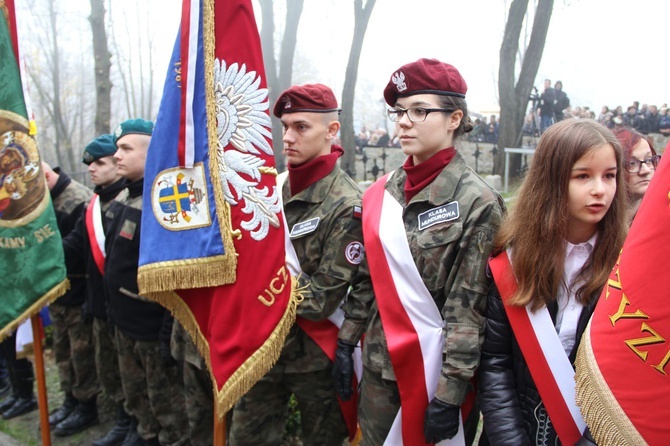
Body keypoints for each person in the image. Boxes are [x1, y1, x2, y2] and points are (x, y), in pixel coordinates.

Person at [334, 58, 505, 445]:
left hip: (435, 376)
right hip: (379, 368)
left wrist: (449, 394)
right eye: (399, 111)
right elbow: (366, 280)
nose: (404, 122)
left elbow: (470, 308)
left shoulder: (478, 202)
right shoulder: (383, 192)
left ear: (454, 118)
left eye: (419, 110)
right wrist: (346, 342)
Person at [229, 83, 366, 446]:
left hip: (314, 358)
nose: (287, 137)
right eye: (285, 126)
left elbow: (322, 300)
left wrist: (248, 293)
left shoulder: (347, 204)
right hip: (261, 347)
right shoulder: (270, 190)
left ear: (331, 130)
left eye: (301, 127)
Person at [479, 119, 628, 445]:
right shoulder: (512, 259)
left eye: (609, 175)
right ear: (551, 180)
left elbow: (625, 376)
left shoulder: (625, 266)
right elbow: (495, 363)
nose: (600, 189)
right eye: (582, 176)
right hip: (513, 429)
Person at [104, 119, 187, 446]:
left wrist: (168, 332)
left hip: (152, 328)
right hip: (124, 321)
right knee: (137, 394)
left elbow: (176, 273)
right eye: (117, 149)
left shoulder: (165, 202)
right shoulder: (123, 197)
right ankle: (144, 433)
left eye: (126, 149)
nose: (117, 156)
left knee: (166, 403)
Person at [60, 134, 132, 446]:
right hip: (98, 303)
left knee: (128, 371)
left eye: (100, 163)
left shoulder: (126, 201)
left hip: (125, 307)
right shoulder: (93, 204)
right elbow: (74, 245)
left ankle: (132, 423)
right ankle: (120, 419)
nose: (92, 169)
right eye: (90, 164)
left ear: (117, 166)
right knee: (107, 368)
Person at [42, 161, 101, 437]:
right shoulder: (45, 200)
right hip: (58, 290)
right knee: (63, 349)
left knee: (81, 354)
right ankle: (70, 399)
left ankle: (86, 405)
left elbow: (82, 249)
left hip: (78, 290)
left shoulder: (79, 200)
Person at [613, 127, 660, 223]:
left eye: (648, 160)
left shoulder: (663, 215)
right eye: (632, 163)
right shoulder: (593, 223)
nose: (645, 170)